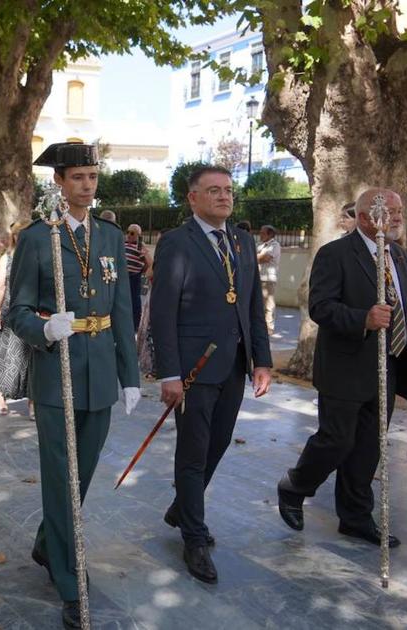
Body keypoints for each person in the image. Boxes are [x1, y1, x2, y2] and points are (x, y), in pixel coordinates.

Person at [6, 141, 139, 629]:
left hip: (101, 370)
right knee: (63, 479)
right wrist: (43, 329)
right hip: (55, 373)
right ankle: (68, 578)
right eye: (78, 177)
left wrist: (130, 376)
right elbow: (13, 311)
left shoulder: (108, 235)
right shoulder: (38, 238)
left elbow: (122, 309)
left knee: (81, 475)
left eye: (92, 176)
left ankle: (47, 544)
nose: (87, 185)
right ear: (58, 182)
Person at [277, 188, 407, 547]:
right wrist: (363, 318)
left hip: (388, 366)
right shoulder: (336, 254)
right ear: (363, 218)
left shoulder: (401, 257)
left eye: (398, 210)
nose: (395, 216)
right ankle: (295, 485)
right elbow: (321, 307)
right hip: (346, 366)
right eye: (386, 210)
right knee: (337, 440)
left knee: (369, 447)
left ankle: (356, 516)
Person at [150, 165, 272, 585]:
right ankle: (194, 538)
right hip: (193, 366)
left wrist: (263, 359)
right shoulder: (176, 243)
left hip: (235, 364)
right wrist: (168, 372)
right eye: (214, 191)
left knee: (218, 444)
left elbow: (251, 305)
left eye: (228, 190)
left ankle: (183, 506)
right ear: (193, 198)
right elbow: (162, 313)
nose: (224, 197)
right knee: (193, 450)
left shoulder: (241, 239)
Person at [0, 220, 32, 414]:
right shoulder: (7, 258)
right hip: (11, 311)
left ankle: (33, 402)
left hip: (33, 313)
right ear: (14, 236)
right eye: (20, 234)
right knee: (7, 355)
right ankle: (0, 395)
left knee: (32, 358)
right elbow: (0, 286)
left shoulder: (38, 256)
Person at [124, 224, 151, 330]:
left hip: (133, 277)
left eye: (132, 233)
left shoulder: (140, 247)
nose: (129, 235)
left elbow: (149, 264)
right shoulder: (123, 244)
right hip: (123, 277)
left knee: (135, 300)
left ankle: (135, 324)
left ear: (138, 235)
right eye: (127, 232)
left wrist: (141, 270)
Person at [256, 225, 282, 335]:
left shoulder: (275, 245)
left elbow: (264, 258)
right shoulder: (260, 245)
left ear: (270, 234)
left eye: (263, 233)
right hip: (258, 277)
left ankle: (269, 328)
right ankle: (260, 327)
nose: (260, 235)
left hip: (268, 279)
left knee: (268, 304)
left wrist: (256, 256)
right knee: (258, 304)